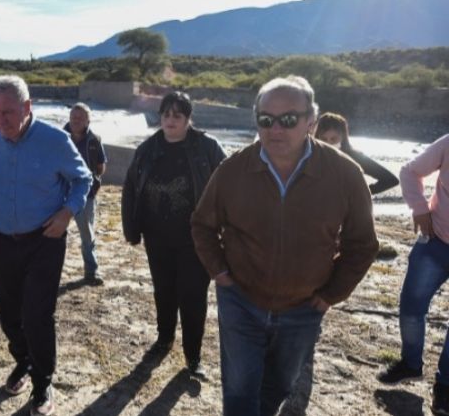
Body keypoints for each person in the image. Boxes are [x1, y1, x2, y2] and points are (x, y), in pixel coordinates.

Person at [191, 76, 379, 416]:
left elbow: (363, 244)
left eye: (288, 119)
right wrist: (220, 273)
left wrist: (332, 293)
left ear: (311, 121)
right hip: (241, 300)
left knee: (280, 385)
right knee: (239, 389)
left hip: (305, 306)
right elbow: (202, 225)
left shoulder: (345, 175)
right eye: (266, 120)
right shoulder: (233, 170)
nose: (276, 128)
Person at [0, 75, 91, 416]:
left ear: (27, 107)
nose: (1, 121)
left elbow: (82, 178)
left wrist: (67, 213)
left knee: (37, 314)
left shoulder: (55, 140)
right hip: (2, 241)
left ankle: (43, 382)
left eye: (9, 113)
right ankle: (23, 361)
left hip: (45, 240)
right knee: (10, 314)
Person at [121, 91, 225, 377]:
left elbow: (227, 187)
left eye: (177, 115)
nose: (170, 120)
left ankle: (193, 357)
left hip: (197, 240)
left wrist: (227, 232)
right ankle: (164, 338)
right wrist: (131, 228)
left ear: (188, 118)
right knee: (164, 291)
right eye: (166, 114)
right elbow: (131, 188)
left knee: (192, 296)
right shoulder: (147, 149)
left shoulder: (207, 148)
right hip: (157, 238)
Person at [377, 134, 449, 415]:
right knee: (410, 309)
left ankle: (445, 388)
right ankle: (410, 364)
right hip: (435, 241)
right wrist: (419, 208)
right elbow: (409, 171)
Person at [63, 103, 107, 285]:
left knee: (87, 235)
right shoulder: (59, 137)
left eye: (80, 118)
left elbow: (101, 167)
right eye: (73, 117)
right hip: (60, 194)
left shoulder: (94, 140)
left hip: (86, 195)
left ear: (88, 120)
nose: (76, 121)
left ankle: (91, 272)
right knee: (53, 235)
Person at [315, 112, 399, 194]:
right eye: (324, 139)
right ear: (317, 137)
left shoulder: (355, 157)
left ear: (343, 137)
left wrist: (360, 193)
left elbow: (390, 180)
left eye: (334, 139)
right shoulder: (310, 157)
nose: (329, 143)